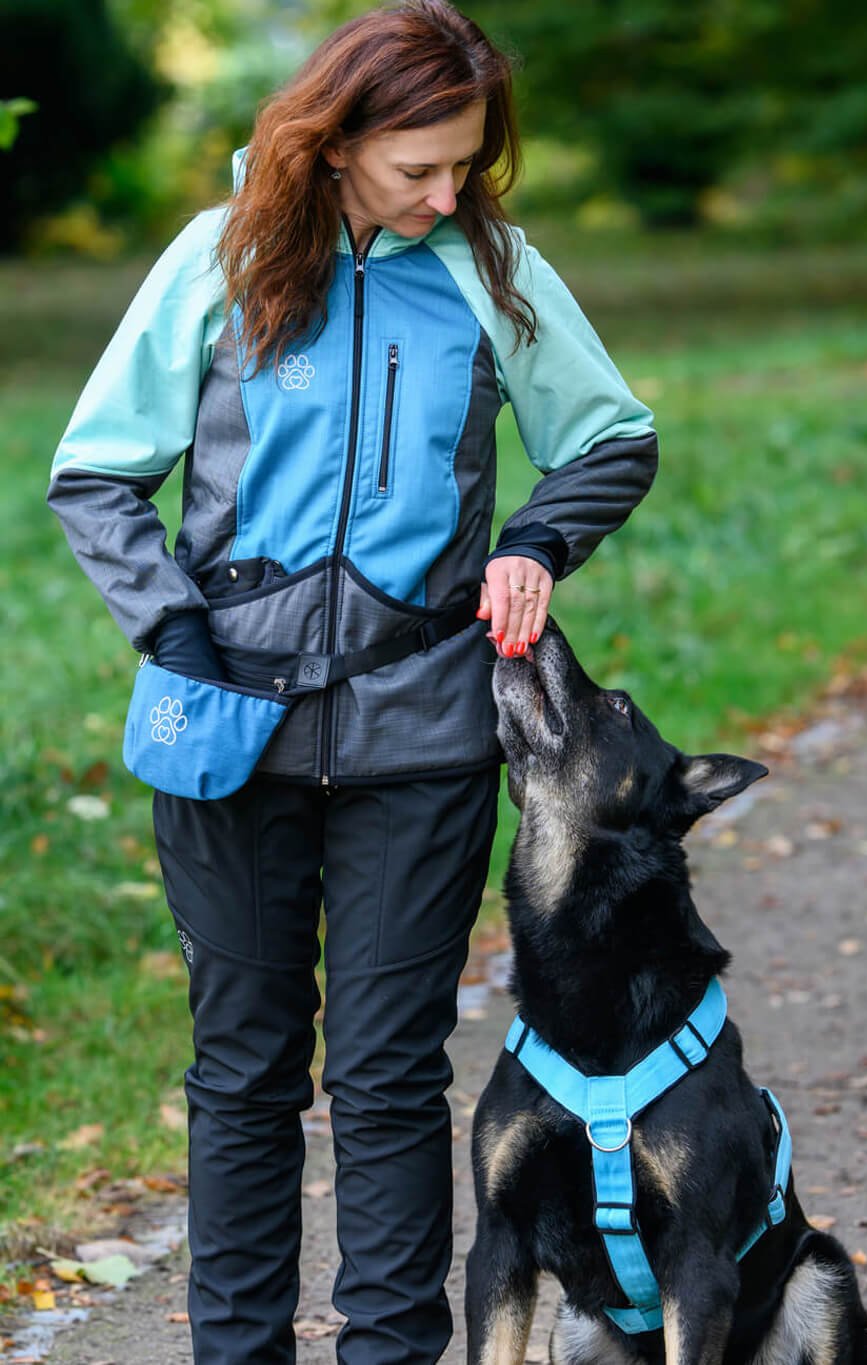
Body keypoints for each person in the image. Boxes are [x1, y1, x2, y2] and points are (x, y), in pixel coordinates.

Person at [47, 2, 658, 1361]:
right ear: (337, 144)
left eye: (466, 166)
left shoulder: (491, 267)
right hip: (225, 725)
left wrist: (534, 539)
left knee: (387, 1080)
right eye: (419, 169)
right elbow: (93, 474)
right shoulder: (224, 257)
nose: (449, 195)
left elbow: (613, 433)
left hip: (426, 726)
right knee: (243, 1072)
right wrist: (180, 636)